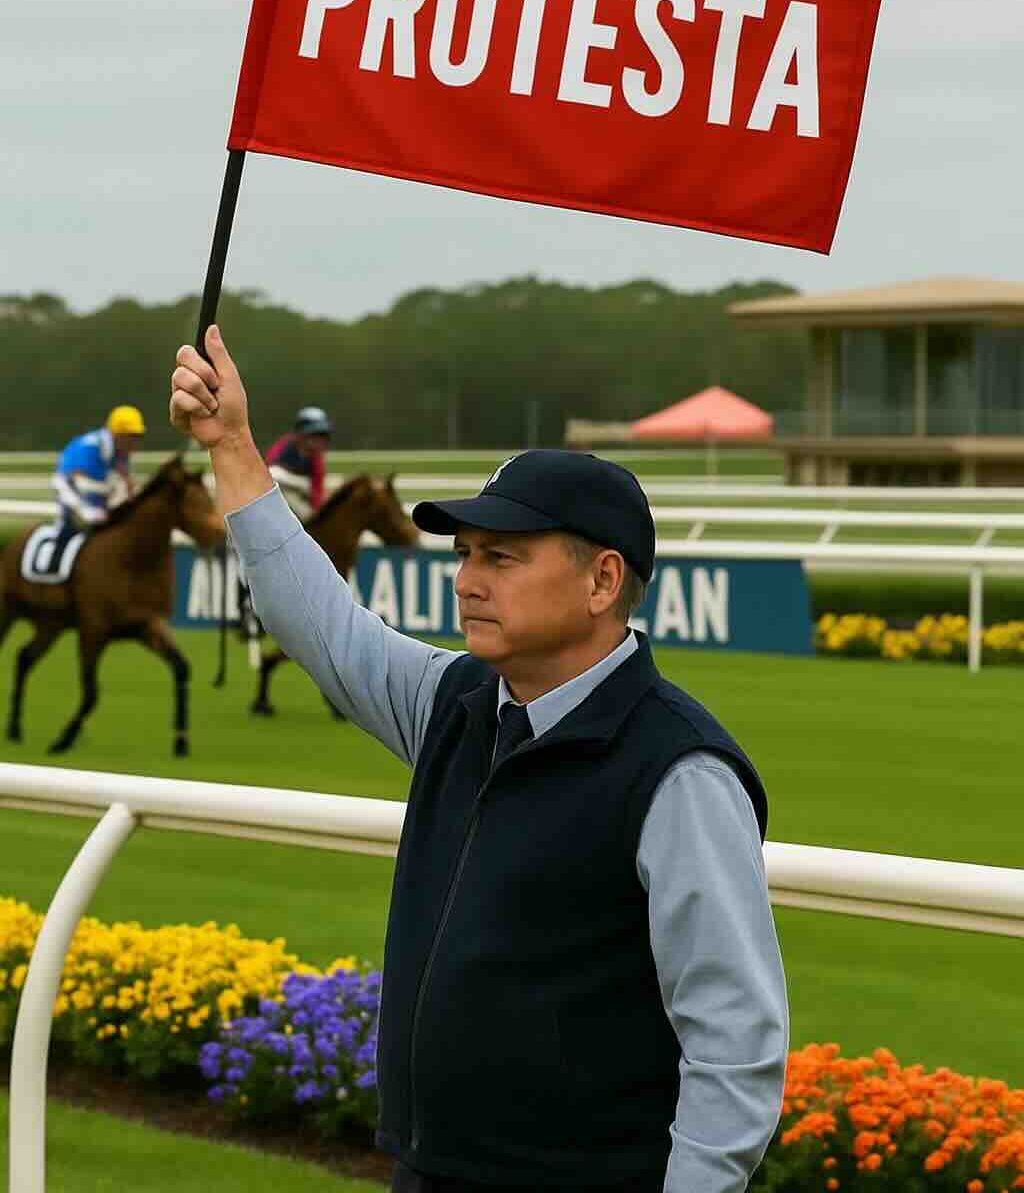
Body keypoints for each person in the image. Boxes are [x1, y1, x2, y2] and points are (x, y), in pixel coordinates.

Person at [170, 328, 789, 1193]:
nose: (467, 579)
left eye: (502, 557)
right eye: (465, 554)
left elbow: (735, 1043)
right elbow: (328, 630)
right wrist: (233, 447)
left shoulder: (680, 772)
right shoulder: (455, 701)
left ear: (603, 581)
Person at [53, 405, 146, 537]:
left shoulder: (121, 451)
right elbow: (72, 483)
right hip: (71, 493)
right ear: (117, 434)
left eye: (138, 436)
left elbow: (127, 486)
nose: (135, 442)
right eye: (131, 436)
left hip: (95, 496)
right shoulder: (90, 447)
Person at [265, 405, 333, 520]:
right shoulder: (286, 446)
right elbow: (267, 471)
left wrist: (318, 510)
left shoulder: (316, 457)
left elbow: (317, 486)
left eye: (322, 435)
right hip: (282, 488)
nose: (319, 440)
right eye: (314, 435)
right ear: (300, 434)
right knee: (274, 475)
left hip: (306, 488)